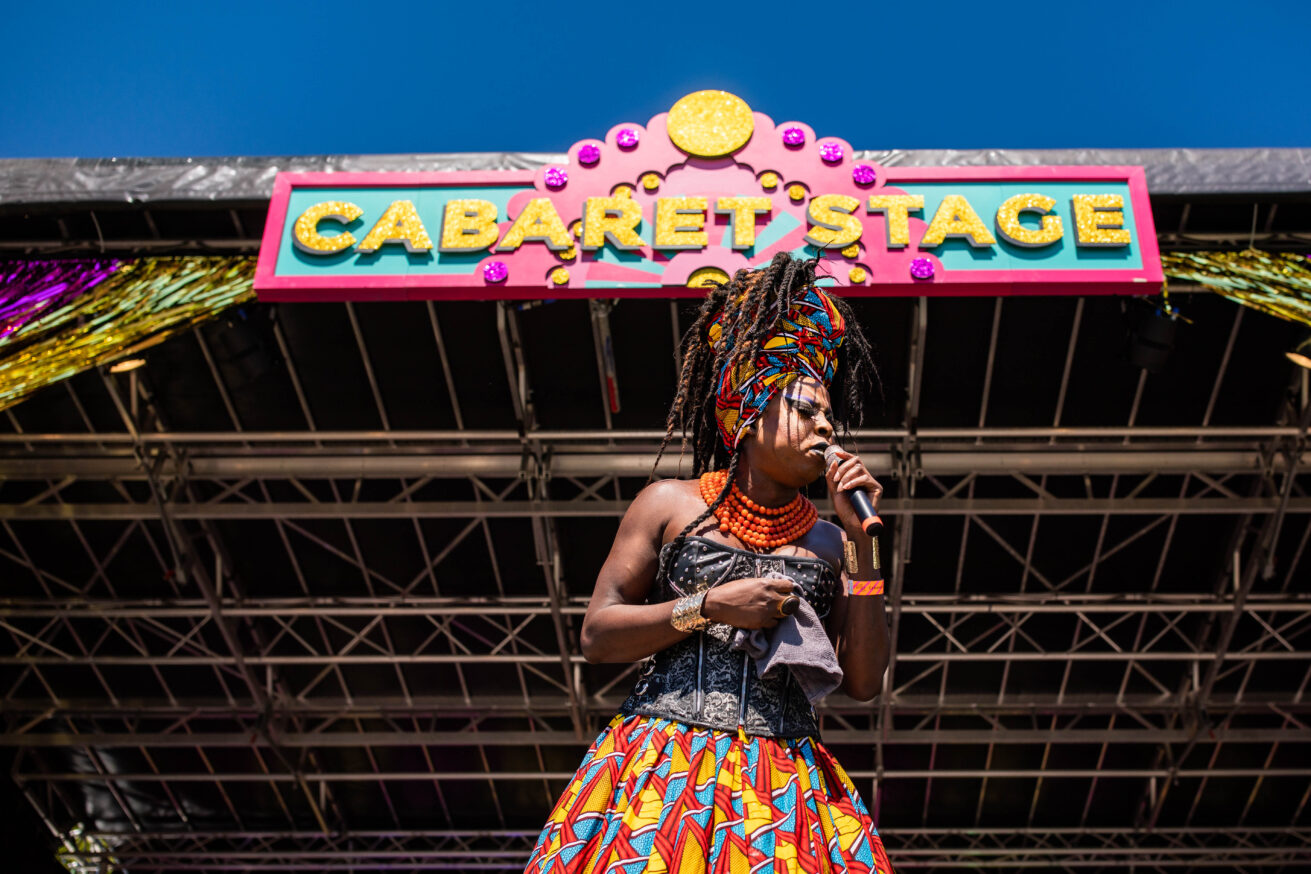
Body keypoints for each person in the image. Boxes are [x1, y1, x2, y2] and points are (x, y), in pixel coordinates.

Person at [525, 252, 895, 874]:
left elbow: (862, 683)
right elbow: (597, 635)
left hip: (786, 781)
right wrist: (709, 606)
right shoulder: (668, 504)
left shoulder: (835, 542)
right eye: (806, 411)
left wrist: (864, 549)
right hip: (661, 767)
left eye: (830, 416)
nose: (826, 428)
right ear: (748, 414)